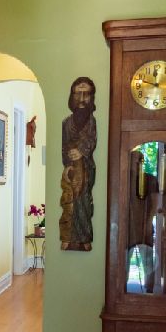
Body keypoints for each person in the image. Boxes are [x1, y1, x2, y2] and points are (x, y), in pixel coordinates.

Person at [59, 77, 97, 251]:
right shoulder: (66, 123)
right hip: (71, 169)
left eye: (86, 94)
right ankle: (67, 236)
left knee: (84, 202)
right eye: (78, 94)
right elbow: (64, 146)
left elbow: (91, 140)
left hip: (86, 169)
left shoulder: (92, 121)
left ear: (91, 97)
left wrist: (81, 151)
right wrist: (68, 163)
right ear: (72, 96)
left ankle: (84, 237)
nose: (82, 99)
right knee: (69, 202)